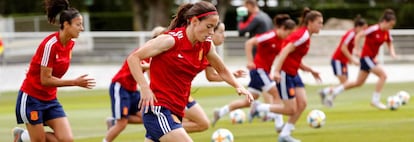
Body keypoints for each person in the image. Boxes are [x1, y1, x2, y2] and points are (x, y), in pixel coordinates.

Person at [127, 2, 253, 142]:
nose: (211, 32)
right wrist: (144, 88)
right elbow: (133, 58)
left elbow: (221, 69)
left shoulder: (205, 45)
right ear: (194, 21)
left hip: (177, 110)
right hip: (158, 109)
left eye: (214, 28)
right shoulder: (170, 40)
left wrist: (238, 85)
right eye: (208, 27)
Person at [13, 0, 95, 142]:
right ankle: (22, 137)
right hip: (32, 98)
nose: (81, 28)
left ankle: (24, 137)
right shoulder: (50, 45)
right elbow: (45, 80)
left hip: (50, 99)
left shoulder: (70, 45)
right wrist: (74, 82)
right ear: (66, 24)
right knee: (39, 141)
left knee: (67, 140)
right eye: (78, 24)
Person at [212, 14, 297, 131]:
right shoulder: (269, 35)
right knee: (277, 93)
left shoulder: (281, 41)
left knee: (247, 102)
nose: (289, 37)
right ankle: (278, 124)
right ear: (282, 29)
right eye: (288, 33)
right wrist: (250, 61)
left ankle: (220, 112)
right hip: (259, 70)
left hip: (263, 72)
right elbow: (249, 43)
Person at [252, 8, 323, 142]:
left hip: (294, 73)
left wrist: (310, 70)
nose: (321, 25)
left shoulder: (305, 35)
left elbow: (294, 57)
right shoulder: (303, 35)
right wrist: (277, 71)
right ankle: (260, 107)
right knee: (290, 109)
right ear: (310, 22)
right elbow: (284, 51)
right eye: (319, 23)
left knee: (302, 104)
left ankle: (285, 134)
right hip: (285, 74)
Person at [321, 9, 397, 109]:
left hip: (371, 59)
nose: (391, 27)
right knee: (383, 75)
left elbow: (389, 42)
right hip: (366, 57)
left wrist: (392, 52)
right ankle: (375, 100)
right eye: (390, 25)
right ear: (384, 22)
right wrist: (356, 50)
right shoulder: (374, 29)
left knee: (358, 83)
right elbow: (359, 36)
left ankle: (332, 91)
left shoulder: (387, 32)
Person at [103, 27, 164, 142]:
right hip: (120, 87)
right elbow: (139, 66)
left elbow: (151, 77)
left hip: (131, 89)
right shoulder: (145, 51)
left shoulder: (154, 55)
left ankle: (114, 120)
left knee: (144, 118)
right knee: (122, 124)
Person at [318, 15, 368, 107]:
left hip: (342, 61)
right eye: (363, 28)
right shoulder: (351, 34)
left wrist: (350, 59)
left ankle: (325, 92)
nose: (364, 31)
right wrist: (352, 59)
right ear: (358, 27)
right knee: (345, 84)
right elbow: (343, 48)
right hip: (338, 60)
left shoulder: (355, 35)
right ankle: (329, 98)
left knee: (344, 84)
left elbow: (348, 49)